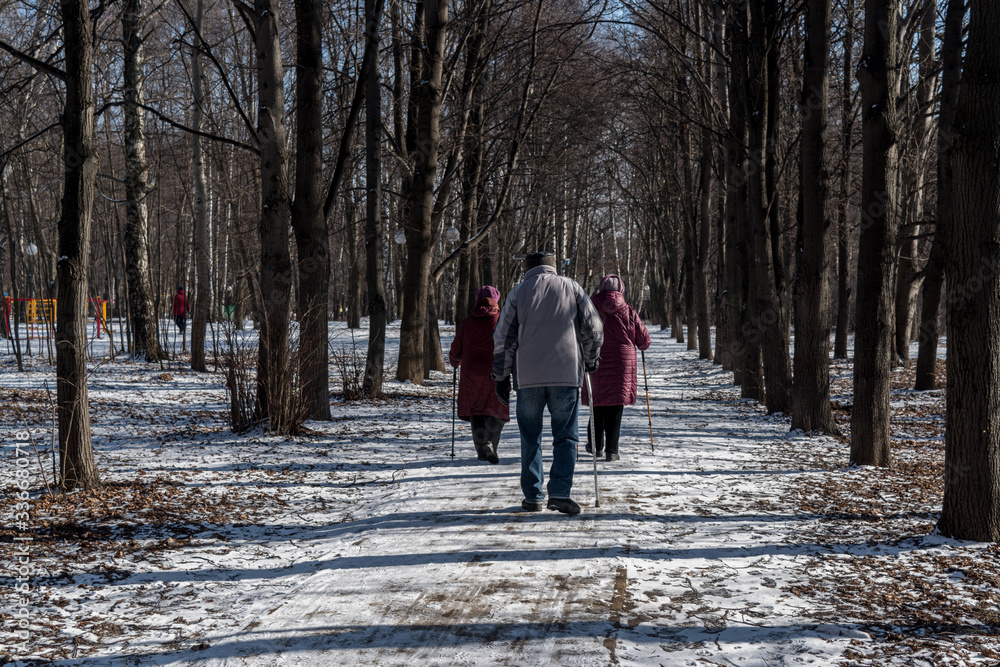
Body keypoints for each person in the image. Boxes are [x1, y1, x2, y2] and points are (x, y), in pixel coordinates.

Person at [492, 252, 604, 515]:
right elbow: (594, 329)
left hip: (528, 378)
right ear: (553, 267)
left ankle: (533, 496)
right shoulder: (573, 288)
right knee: (565, 436)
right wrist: (590, 359)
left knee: (530, 437)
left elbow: (502, 339)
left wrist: (501, 377)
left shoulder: (518, 292)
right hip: (566, 375)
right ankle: (560, 493)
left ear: (527, 268)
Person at [583, 274, 651, 462]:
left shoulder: (590, 309)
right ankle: (612, 451)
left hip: (596, 357)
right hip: (623, 363)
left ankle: (595, 447)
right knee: (615, 406)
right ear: (621, 290)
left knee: (596, 403)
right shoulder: (629, 311)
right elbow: (644, 341)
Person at [449, 285, 510, 464]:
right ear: (496, 300)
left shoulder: (468, 322)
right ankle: (490, 444)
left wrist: (454, 361)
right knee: (497, 406)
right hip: (496, 368)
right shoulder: (501, 320)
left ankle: (483, 447)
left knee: (476, 408)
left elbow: (456, 347)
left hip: (471, 370)